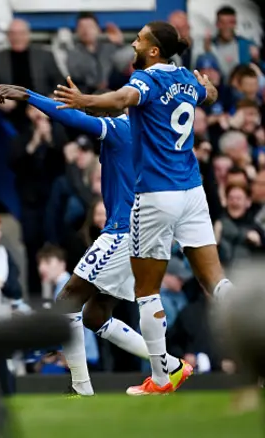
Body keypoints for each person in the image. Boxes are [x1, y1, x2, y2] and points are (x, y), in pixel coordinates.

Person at [48, 21, 234, 395]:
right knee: (217, 283)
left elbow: (120, 100)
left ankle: (162, 380)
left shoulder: (148, 81)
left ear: (152, 51)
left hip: (156, 194)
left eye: (139, 39)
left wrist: (85, 100)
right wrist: (210, 87)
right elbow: (208, 95)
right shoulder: (185, 78)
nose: (133, 43)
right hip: (193, 192)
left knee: (147, 293)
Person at [0, 83, 191, 396]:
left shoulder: (122, 127)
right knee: (95, 315)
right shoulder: (153, 133)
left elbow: (74, 120)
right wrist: (86, 102)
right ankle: (170, 366)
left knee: (67, 300)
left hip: (124, 230)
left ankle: (81, 387)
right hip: (148, 231)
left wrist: (28, 96)